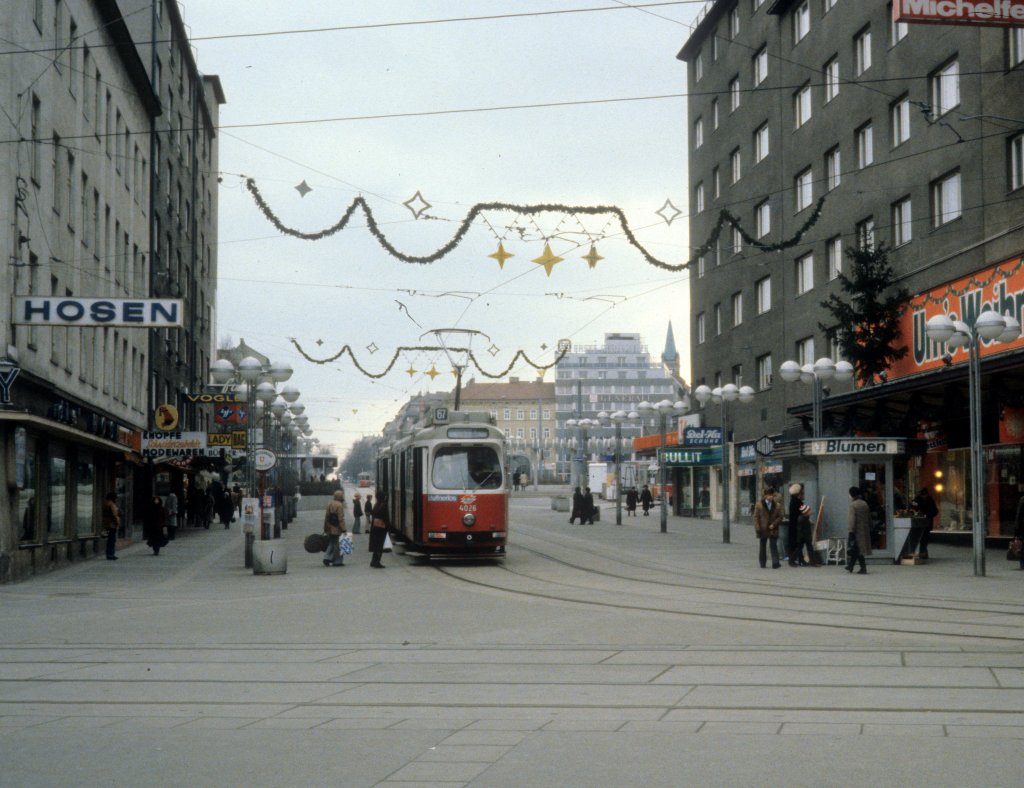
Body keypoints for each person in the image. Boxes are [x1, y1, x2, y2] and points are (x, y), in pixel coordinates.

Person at [752, 486, 782, 569]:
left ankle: (775, 563)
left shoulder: (777, 505)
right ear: (765, 496)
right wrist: (757, 528)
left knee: (773, 545)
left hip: (773, 528)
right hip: (763, 528)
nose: (770, 497)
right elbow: (755, 517)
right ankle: (762, 562)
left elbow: (780, 517)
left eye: (772, 495)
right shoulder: (759, 505)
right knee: (763, 546)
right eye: (769, 495)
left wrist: (774, 524)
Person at [846, 486, 872, 574]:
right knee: (857, 549)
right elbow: (869, 517)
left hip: (856, 531)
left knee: (856, 549)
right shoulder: (864, 503)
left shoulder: (853, 505)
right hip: (864, 530)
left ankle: (862, 568)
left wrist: (851, 530)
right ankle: (850, 566)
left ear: (852, 495)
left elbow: (851, 519)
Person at [912, 487, 939, 559]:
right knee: (921, 538)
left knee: (925, 538)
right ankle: (922, 552)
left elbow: (935, 511)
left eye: (925, 495)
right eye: (922, 495)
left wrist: (928, 514)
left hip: (927, 521)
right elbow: (913, 508)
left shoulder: (930, 500)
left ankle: (923, 552)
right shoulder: (917, 500)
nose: (924, 496)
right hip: (919, 521)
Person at [322, 490, 347, 567]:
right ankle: (337, 561)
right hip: (337, 527)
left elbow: (327, 517)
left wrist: (326, 527)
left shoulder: (330, 503)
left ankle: (327, 557)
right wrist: (344, 529)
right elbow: (340, 518)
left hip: (330, 526)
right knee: (338, 545)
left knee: (331, 543)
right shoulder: (339, 505)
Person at [369, 491, 389, 568]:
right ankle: (377, 562)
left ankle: (373, 561)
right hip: (381, 528)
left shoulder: (376, 505)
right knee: (380, 545)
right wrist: (387, 527)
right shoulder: (384, 506)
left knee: (376, 545)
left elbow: (372, 513)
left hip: (374, 527)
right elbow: (386, 518)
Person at [787, 483, 804, 567]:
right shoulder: (797, 501)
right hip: (796, 525)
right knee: (796, 543)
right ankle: (792, 560)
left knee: (794, 543)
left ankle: (797, 559)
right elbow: (805, 510)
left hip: (792, 524)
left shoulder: (792, 500)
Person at [101, 492, 120, 560]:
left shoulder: (105, 503)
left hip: (107, 523)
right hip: (112, 524)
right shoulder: (112, 504)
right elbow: (114, 515)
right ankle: (110, 554)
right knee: (112, 540)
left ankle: (109, 554)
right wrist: (117, 523)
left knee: (110, 539)